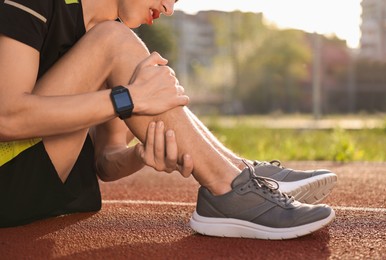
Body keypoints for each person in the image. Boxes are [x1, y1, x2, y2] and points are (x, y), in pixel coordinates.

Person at [0, 0, 337, 239]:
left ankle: (238, 173)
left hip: (37, 189)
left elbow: (105, 160)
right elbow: (6, 117)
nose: (169, 8)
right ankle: (228, 188)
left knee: (117, 44)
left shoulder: (114, 38)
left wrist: (139, 155)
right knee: (113, 44)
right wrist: (127, 99)